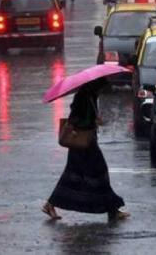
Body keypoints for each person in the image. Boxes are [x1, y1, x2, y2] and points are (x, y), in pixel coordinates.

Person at [43, 78, 129, 221]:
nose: (103, 89)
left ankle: (112, 210)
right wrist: (92, 121)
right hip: (83, 143)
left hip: (86, 142)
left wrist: (94, 120)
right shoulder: (84, 97)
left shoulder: (90, 95)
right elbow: (76, 117)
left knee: (73, 176)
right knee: (97, 172)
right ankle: (113, 210)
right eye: (102, 86)